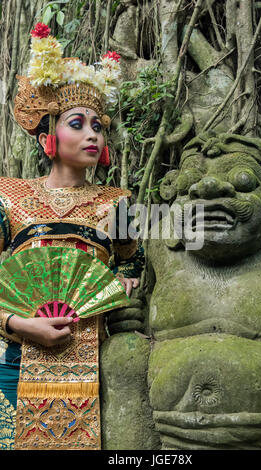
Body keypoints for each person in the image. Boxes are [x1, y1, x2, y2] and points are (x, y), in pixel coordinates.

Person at [0, 23, 144, 450]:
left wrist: (123, 287)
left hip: (95, 364)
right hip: (15, 360)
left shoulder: (117, 203)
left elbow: (131, 265)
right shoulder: (9, 197)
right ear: (49, 136)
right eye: (77, 123)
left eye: (98, 126)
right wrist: (18, 323)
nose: (92, 134)